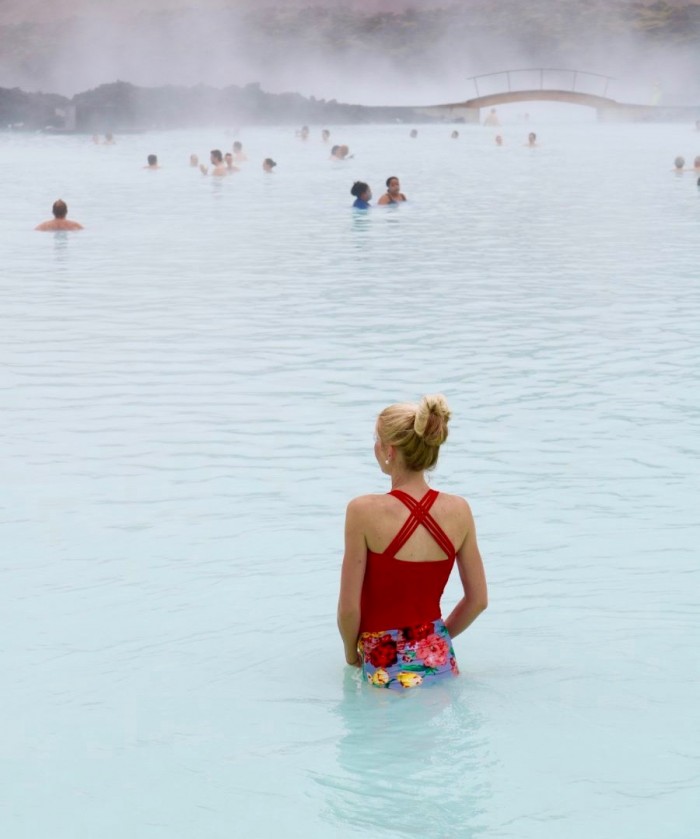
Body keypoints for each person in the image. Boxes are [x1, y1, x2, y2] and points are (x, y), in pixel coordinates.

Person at [337, 395, 488, 690]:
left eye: (377, 440)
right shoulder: (460, 510)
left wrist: (351, 657)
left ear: (389, 450)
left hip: (382, 666)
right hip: (441, 661)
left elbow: (348, 609)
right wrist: (435, 639)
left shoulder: (362, 511)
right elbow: (478, 601)